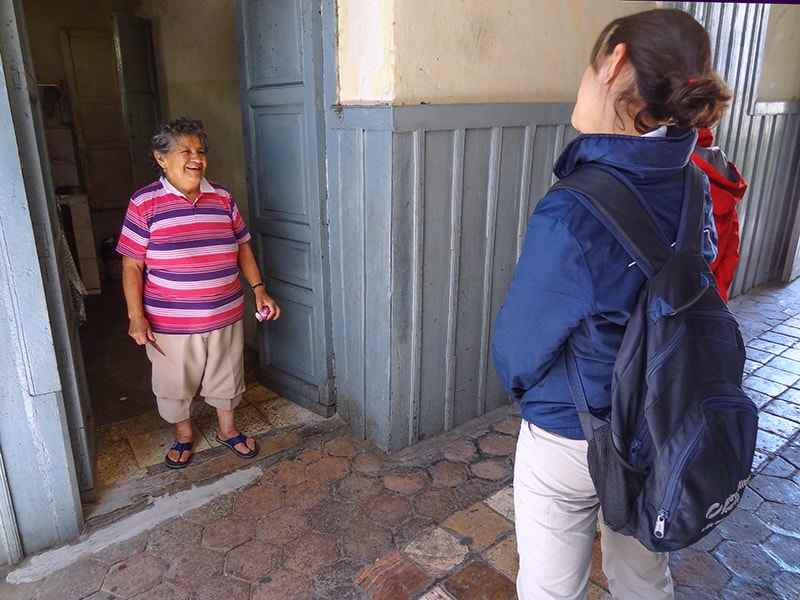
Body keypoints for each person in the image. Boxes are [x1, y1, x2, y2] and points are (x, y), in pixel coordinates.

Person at [491, 9, 730, 599]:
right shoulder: (695, 182)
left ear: (615, 61)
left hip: (574, 435)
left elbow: (517, 350)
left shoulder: (572, 209)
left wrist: (538, 404)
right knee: (645, 576)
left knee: (550, 587)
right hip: (663, 418)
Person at [117, 117, 280, 469]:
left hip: (225, 311)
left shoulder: (221, 196)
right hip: (170, 320)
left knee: (226, 373)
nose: (196, 158)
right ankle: (184, 435)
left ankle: (227, 430)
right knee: (175, 380)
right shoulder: (144, 203)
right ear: (161, 158)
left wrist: (259, 290)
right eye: (185, 151)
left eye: (200, 151)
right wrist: (136, 317)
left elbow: (242, 247)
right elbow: (132, 266)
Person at [691, 127, 748, 303]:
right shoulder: (719, 164)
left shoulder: (672, 168)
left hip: (673, 303)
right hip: (712, 295)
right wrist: (718, 293)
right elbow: (732, 244)